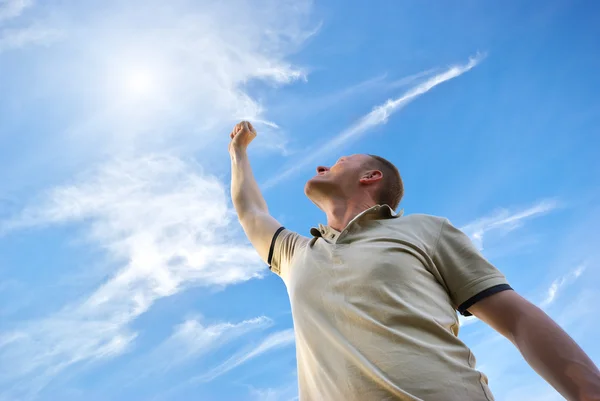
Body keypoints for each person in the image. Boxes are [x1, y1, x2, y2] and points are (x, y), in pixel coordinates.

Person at [228, 120, 600, 401]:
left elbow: (514, 317)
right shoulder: (297, 254)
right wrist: (238, 153)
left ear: (370, 177)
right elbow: (251, 212)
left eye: (340, 161)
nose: (323, 166)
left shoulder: (424, 230)